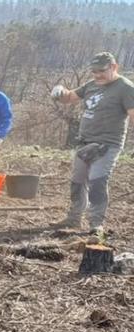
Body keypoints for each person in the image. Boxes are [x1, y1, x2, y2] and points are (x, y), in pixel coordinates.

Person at [52, 51, 134, 234]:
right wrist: (60, 92)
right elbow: (70, 97)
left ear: (114, 67)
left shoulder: (125, 88)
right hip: (85, 142)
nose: (97, 75)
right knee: (77, 181)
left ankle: (96, 224)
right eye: (94, 71)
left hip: (108, 143)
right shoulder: (92, 84)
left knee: (97, 181)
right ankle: (73, 218)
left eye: (102, 71)